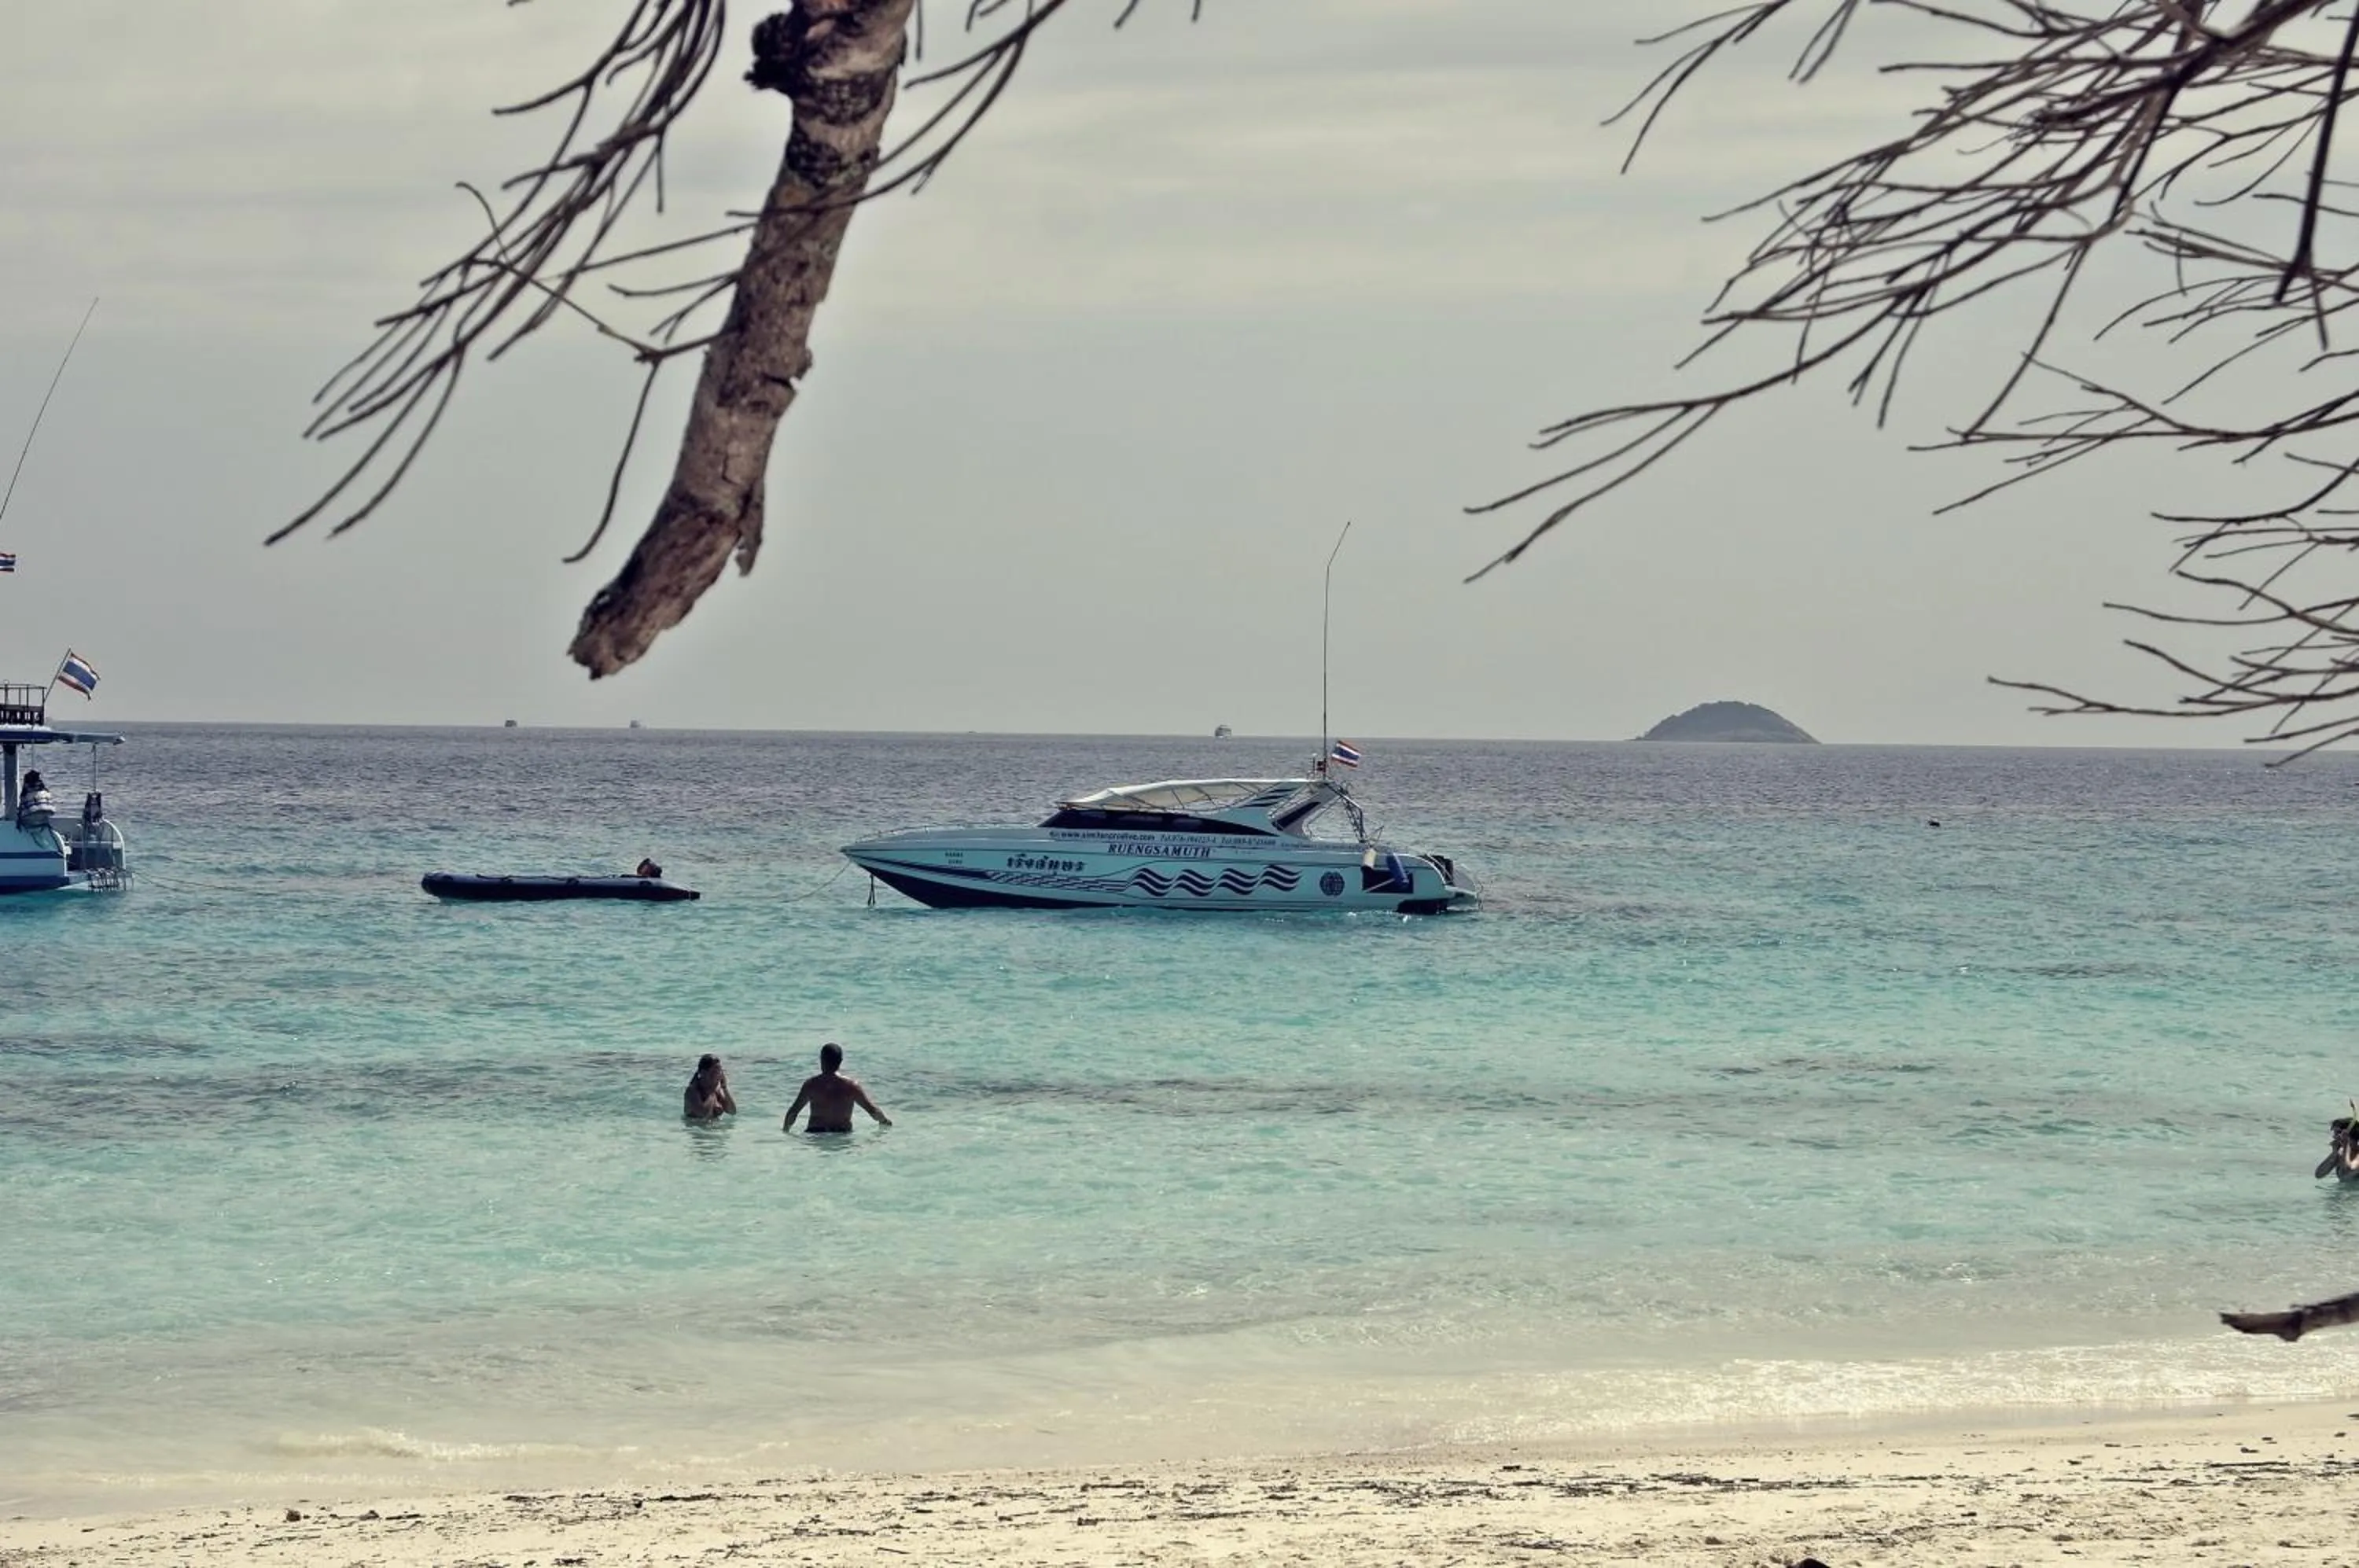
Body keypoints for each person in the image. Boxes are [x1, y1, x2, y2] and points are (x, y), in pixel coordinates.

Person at [783, 1043, 891, 1133]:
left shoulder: (811, 1084)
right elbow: (873, 1111)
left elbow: (793, 1113)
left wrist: (785, 1131)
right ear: (841, 1061)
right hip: (841, 1134)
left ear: (821, 1060)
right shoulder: (851, 1086)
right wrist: (885, 1122)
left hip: (816, 1133)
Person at [683, 1053, 736, 1121]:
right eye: (715, 1071)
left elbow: (732, 1111)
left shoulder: (718, 1091)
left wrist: (724, 1088)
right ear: (703, 1073)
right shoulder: (692, 1091)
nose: (719, 1075)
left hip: (714, 1131)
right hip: (697, 1130)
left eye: (720, 1071)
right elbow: (703, 1115)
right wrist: (712, 1092)